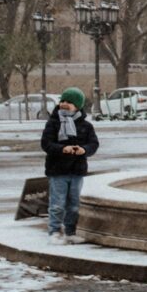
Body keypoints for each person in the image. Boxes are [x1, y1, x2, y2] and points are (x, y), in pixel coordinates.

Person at [40, 88, 99, 245]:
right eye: (63, 101)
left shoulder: (86, 126)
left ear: (78, 106)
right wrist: (62, 149)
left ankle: (70, 232)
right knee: (57, 204)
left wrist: (84, 150)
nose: (65, 104)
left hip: (77, 170)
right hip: (58, 170)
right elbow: (46, 144)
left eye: (69, 102)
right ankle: (54, 232)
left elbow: (93, 144)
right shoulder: (53, 123)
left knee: (74, 205)